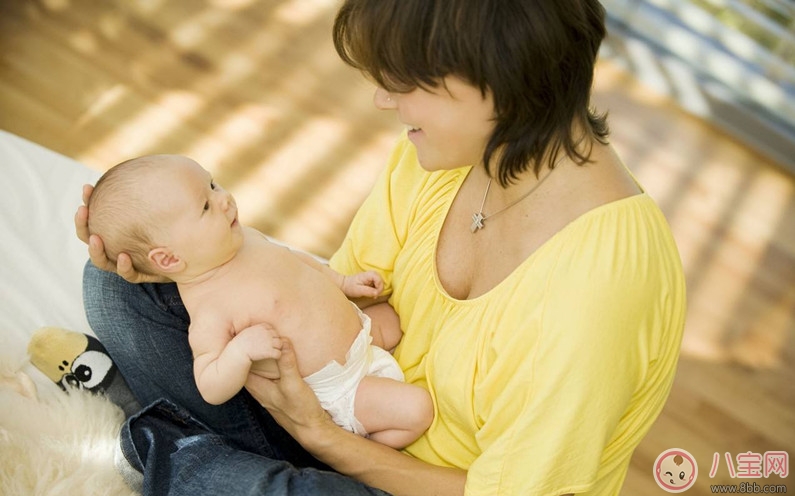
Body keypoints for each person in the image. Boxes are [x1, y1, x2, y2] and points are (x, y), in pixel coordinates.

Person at [75, 0, 687, 494]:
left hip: (400, 475)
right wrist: (186, 268)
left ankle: (169, 450)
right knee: (121, 285)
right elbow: (334, 296)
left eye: (403, 83)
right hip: (342, 403)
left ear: (497, 82)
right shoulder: (445, 155)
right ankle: (191, 457)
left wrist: (323, 438)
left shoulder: (596, 293)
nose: (383, 100)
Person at [86, 154, 433, 449]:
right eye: (206, 205)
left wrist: (344, 282)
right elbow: (210, 384)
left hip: (361, 336)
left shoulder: (245, 240)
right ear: (167, 260)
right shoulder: (210, 308)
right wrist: (240, 352)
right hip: (341, 389)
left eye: (213, 184)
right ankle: (365, 445)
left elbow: (298, 263)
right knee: (417, 410)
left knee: (399, 312)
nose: (224, 199)